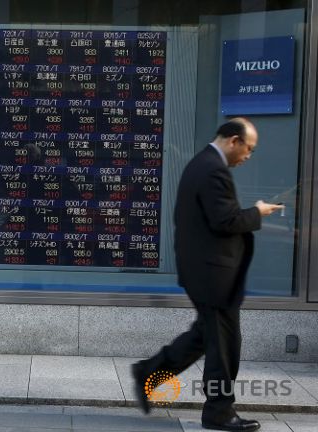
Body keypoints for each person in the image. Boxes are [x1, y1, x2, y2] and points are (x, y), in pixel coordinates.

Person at [132, 118, 283, 431]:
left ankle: (149, 371)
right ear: (232, 140)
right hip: (214, 276)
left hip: (204, 272)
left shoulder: (201, 163)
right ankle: (219, 412)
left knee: (205, 336)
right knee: (225, 347)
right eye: (248, 148)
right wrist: (258, 212)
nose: (249, 156)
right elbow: (225, 221)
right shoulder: (213, 169)